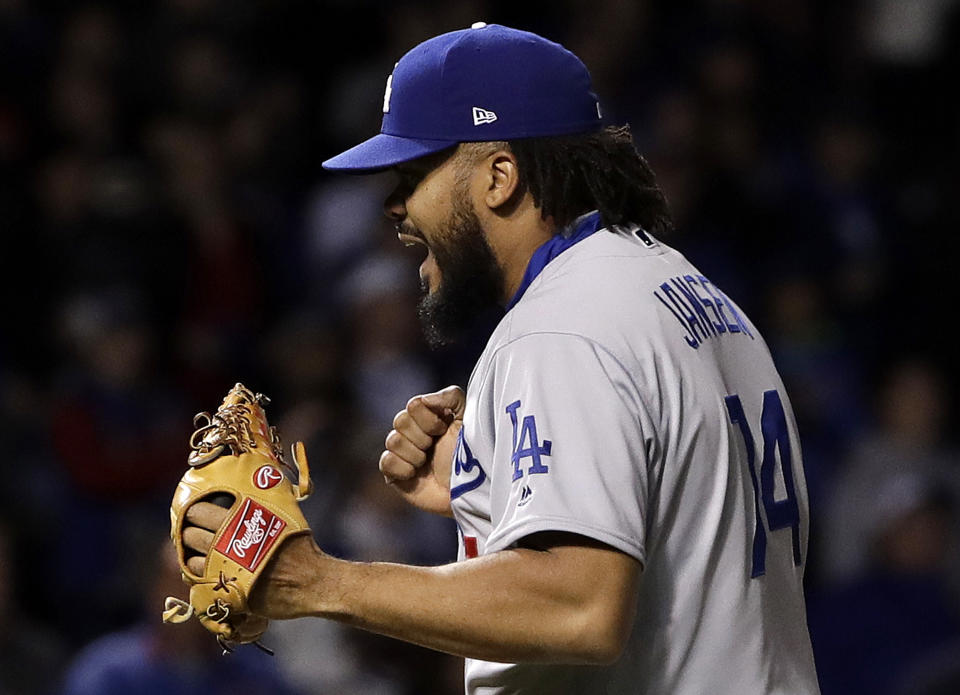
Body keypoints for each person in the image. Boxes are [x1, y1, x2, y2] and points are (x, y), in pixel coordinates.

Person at [182, 23, 821, 693]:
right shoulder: (691, 295)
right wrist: (491, 489)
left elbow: (580, 605)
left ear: (499, 176)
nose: (395, 207)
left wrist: (320, 581)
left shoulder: (561, 329)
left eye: (414, 173)